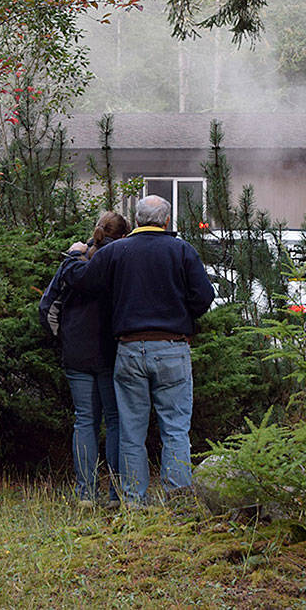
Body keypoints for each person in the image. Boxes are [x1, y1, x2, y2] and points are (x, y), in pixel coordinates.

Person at [64, 195, 215, 506]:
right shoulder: (182, 250)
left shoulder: (116, 251)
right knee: (174, 428)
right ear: (167, 221)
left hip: (130, 349)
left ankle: (133, 499)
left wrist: (74, 254)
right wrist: (181, 314)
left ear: (135, 220)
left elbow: (81, 281)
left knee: (132, 430)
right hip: (173, 347)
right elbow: (204, 297)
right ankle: (178, 499)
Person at [44, 210, 129, 508]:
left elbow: (47, 308)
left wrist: (65, 337)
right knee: (116, 422)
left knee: (85, 421)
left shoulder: (72, 265)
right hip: (111, 351)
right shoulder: (118, 265)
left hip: (77, 352)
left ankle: (85, 494)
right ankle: (117, 494)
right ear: (122, 237)